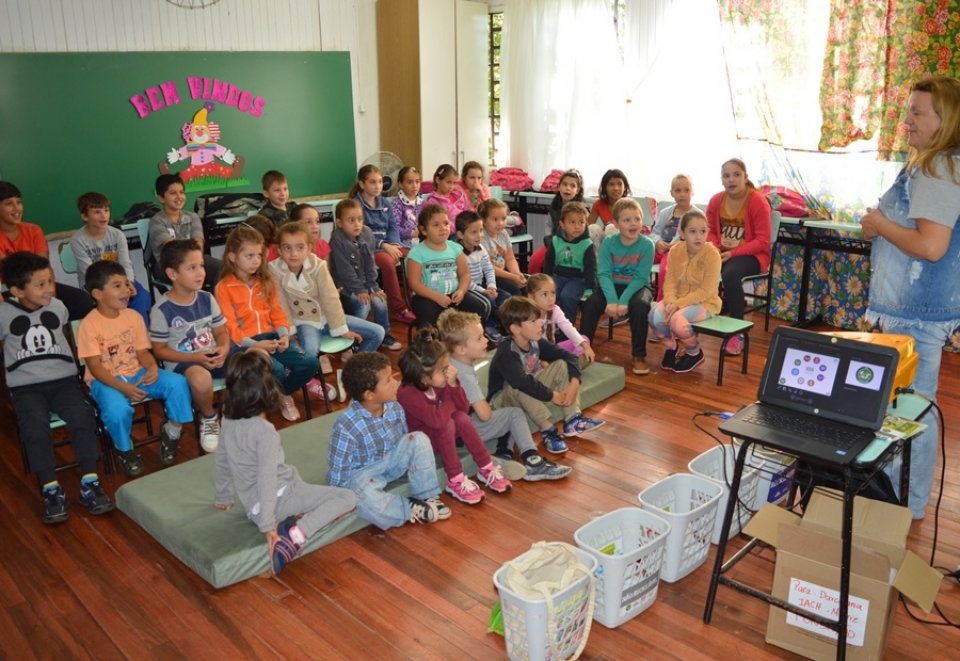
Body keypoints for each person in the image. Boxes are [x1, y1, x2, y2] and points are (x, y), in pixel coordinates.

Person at [860, 76, 960, 520]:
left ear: (946, 120)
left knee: (909, 413)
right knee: (909, 409)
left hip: (915, 317)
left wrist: (880, 224)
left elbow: (931, 246)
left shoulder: (938, 169)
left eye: (918, 112)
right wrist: (877, 222)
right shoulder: (935, 165)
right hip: (912, 313)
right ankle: (903, 501)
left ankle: (903, 504)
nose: (907, 121)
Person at [214, 348, 357, 576]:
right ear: (266, 392)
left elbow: (222, 458)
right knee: (347, 498)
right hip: (277, 501)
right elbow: (267, 478)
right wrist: (267, 526)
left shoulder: (229, 419)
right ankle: (294, 537)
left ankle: (291, 518)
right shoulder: (264, 431)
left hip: (256, 505)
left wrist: (223, 495)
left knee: (293, 473)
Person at [0, 252, 113, 523]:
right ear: (16, 290)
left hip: (63, 382)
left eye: (50, 281)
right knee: (35, 427)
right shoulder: (3, 314)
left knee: (83, 418)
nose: (49, 289)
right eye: (40, 284)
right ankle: (51, 488)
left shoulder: (58, 307)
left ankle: (90, 481)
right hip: (26, 388)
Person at [77, 260, 193, 476]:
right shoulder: (88, 324)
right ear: (97, 294)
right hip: (106, 381)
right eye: (117, 286)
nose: (127, 291)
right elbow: (95, 366)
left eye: (126, 284)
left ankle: (173, 431)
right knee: (117, 410)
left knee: (178, 383)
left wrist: (152, 368)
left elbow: (142, 353)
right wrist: (123, 388)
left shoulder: (134, 316)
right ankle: (124, 449)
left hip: (136, 373)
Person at [437, 309, 572, 481]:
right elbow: (485, 415)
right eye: (479, 338)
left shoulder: (454, 361)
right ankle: (533, 461)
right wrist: (494, 408)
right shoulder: (463, 373)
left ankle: (504, 454)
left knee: (506, 408)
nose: (486, 340)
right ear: (461, 349)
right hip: (459, 434)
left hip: (454, 428)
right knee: (513, 413)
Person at [327, 351, 452, 528]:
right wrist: (342, 498)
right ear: (370, 395)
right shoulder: (346, 426)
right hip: (365, 474)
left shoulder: (394, 407)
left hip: (392, 461)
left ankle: (427, 494)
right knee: (358, 490)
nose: (396, 383)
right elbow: (338, 474)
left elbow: (404, 439)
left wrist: (408, 456)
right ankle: (408, 509)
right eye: (388, 381)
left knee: (418, 439)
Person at [214, 224, 318, 422]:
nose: (256, 261)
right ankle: (283, 396)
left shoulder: (266, 281)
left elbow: (277, 313)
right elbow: (230, 327)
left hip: (273, 337)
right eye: (249, 256)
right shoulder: (224, 287)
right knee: (276, 369)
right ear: (233, 257)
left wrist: (284, 335)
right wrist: (254, 345)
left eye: (259, 255)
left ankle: (281, 392)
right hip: (244, 344)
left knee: (310, 363)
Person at [397, 329, 512, 504]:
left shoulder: (441, 381)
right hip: (424, 444)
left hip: (441, 431)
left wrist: (453, 385)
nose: (450, 371)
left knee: (461, 418)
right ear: (424, 379)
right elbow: (437, 421)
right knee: (447, 424)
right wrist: (449, 398)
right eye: (444, 369)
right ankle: (455, 479)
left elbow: (464, 408)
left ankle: (486, 466)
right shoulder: (407, 393)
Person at [271, 220, 384, 385]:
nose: (294, 253)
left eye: (300, 247)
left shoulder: (318, 265)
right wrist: (290, 332)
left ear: (310, 247)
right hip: (304, 322)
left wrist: (340, 329)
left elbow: (330, 298)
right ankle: (298, 383)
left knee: (378, 332)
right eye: (287, 248)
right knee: (309, 353)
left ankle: (352, 373)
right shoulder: (274, 270)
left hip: (327, 317)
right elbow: (280, 304)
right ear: (279, 250)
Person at [489, 296, 604, 454]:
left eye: (539, 320)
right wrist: (552, 395)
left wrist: (574, 384)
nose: (540, 325)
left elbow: (569, 357)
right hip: (503, 401)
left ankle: (572, 419)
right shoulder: (507, 352)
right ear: (515, 328)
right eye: (533, 322)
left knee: (562, 364)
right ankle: (548, 431)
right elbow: (521, 382)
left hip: (525, 389)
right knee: (521, 385)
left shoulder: (535, 342)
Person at [149, 239, 231, 453]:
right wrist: (195, 358)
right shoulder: (161, 309)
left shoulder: (207, 298)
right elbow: (159, 350)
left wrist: (223, 348)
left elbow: (221, 331)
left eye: (201, 266)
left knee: (250, 363)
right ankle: (209, 417)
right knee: (200, 378)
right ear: (173, 274)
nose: (200, 273)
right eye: (192, 268)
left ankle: (240, 418)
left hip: (211, 354)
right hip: (182, 362)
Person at [580, 197, 656, 375]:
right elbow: (604, 273)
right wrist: (612, 299)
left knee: (639, 307)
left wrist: (622, 301)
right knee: (591, 304)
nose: (633, 224)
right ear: (615, 223)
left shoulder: (647, 245)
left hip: (638, 287)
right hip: (611, 286)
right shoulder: (609, 242)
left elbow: (640, 277)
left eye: (637, 219)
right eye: (627, 220)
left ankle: (639, 356)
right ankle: (583, 349)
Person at [0, 181, 93, 321]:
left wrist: (51, 296)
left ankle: (61, 336)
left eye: (19, 202)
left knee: (82, 301)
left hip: (39, 286)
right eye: (9, 204)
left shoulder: (33, 230)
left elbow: (44, 268)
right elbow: (8, 272)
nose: (16, 208)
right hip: (9, 290)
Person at [705, 158, 771, 355]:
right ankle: (690, 318)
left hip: (753, 256)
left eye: (736, 175)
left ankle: (737, 332)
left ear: (745, 177)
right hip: (722, 253)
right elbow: (709, 230)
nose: (731, 179)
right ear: (721, 180)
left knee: (730, 274)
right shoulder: (716, 200)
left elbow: (763, 241)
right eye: (726, 176)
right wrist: (715, 247)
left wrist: (732, 253)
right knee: (694, 262)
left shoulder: (757, 201)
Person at [648, 210, 722, 374]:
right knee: (654, 316)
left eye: (703, 231)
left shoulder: (712, 255)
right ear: (681, 233)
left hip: (705, 303)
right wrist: (670, 302)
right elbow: (670, 282)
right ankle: (671, 348)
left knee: (677, 320)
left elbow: (706, 290)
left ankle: (694, 353)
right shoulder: (675, 251)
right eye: (692, 231)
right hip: (677, 300)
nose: (698, 236)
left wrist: (678, 305)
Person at [328, 199, 402, 351]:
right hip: (347, 287)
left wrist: (373, 286)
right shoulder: (337, 239)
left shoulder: (367, 233)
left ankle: (385, 336)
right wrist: (360, 290)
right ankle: (355, 340)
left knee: (380, 300)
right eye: (351, 220)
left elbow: (370, 263)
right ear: (340, 223)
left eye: (360, 219)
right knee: (363, 304)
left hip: (366, 284)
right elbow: (345, 271)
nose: (357, 224)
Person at [69, 191, 151, 325]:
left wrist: (128, 283)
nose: (103, 216)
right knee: (111, 300)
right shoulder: (78, 240)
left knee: (142, 297)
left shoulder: (117, 234)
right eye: (97, 212)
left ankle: (140, 338)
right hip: (95, 285)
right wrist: (114, 288)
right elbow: (88, 271)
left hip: (121, 280)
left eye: (106, 210)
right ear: (84, 216)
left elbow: (125, 263)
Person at [405, 204, 490, 328]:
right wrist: (437, 297)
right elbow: (414, 283)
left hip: (454, 295)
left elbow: (465, 274)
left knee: (481, 306)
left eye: (446, 223)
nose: (443, 228)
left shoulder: (455, 248)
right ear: (423, 230)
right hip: (427, 297)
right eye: (436, 225)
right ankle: (433, 344)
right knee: (428, 314)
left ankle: (469, 340)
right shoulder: (417, 253)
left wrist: (461, 290)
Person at [351, 165, 415, 325]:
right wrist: (385, 245)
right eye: (372, 182)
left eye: (380, 182)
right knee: (387, 263)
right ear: (362, 184)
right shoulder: (355, 205)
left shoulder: (384, 202)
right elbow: (361, 234)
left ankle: (416, 299)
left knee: (415, 255)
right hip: (367, 248)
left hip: (388, 245)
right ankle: (399, 308)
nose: (378, 186)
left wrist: (394, 244)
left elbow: (392, 226)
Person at [148, 174, 221, 290]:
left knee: (222, 268)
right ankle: (192, 304)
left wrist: (194, 263)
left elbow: (198, 245)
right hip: (169, 265)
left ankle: (217, 305)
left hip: (194, 260)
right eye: (173, 193)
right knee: (188, 273)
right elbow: (171, 250)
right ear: (161, 198)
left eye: (181, 192)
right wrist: (191, 264)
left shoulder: (193, 217)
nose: (179, 197)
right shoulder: (156, 221)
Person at [543, 200, 595, 323]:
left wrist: (589, 288)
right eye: (572, 222)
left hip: (578, 279)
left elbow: (590, 268)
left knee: (567, 296)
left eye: (581, 222)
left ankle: (567, 326)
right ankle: (548, 324)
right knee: (547, 294)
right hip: (558, 276)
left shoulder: (587, 244)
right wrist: (546, 280)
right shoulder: (556, 241)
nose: (577, 226)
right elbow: (549, 262)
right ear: (562, 224)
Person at [525, 273, 594, 366]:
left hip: (552, 352)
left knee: (584, 339)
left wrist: (585, 346)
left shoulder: (555, 310)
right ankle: (568, 365)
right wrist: (542, 360)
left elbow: (568, 328)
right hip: (535, 355)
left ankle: (565, 366)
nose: (550, 299)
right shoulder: (526, 315)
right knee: (531, 363)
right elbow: (528, 345)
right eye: (544, 294)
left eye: (553, 293)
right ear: (531, 297)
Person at [455, 210, 503, 341]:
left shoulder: (481, 248)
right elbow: (462, 279)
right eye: (473, 232)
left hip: (481, 284)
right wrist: (484, 291)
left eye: (481, 230)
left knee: (506, 297)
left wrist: (492, 286)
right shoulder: (458, 252)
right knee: (489, 301)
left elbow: (488, 269)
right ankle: (487, 327)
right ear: (460, 234)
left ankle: (497, 324)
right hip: (468, 287)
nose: (479, 235)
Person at [529, 168, 585, 275]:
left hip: (573, 246)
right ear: (559, 186)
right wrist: (552, 241)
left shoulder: (581, 209)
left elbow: (582, 233)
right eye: (564, 184)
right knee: (535, 261)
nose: (568, 188)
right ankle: (535, 288)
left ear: (577, 190)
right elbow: (549, 226)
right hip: (554, 243)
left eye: (572, 186)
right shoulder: (554, 206)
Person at [651, 174, 696, 303]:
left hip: (677, 252)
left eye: (686, 190)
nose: (682, 194)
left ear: (692, 192)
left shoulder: (697, 215)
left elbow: (698, 239)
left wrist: (676, 246)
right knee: (636, 258)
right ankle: (636, 296)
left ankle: (663, 302)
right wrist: (657, 241)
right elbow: (655, 232)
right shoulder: (666, 212)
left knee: (666, 269)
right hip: (660, 248)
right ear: (671, 193)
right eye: (678, 190)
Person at [479, 198, 526, 296]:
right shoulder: (482, 237)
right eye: (495, 219)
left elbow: (510, 258)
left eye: (503, 219)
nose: (500, 223)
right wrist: (513, 277)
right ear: (483, 220)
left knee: (527, 287)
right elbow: (488, 268)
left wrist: (517, 273)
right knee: (514, 290)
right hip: (487, 277)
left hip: (503, 273)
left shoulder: (504, 233)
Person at [587, 169, 631, 252]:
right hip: (606, 241)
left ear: (625, 187)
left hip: (625, 242)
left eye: (619, 184)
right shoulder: (599, 204)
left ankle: (615, 261)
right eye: (611, 184)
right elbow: (588, 225)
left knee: (612, 227)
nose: (616, 188)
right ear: (605, 187)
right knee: (593, 228)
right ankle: (597, 262)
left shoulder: (629, 204)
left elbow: (633, 229)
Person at [424, 164, 467, 234]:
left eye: (454, 183)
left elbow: (467, 212)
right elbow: (438, 224)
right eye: (448, 182)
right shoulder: (432, 202)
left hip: (465, 230)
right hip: (449, 234)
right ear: (438, 180)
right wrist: (460, 229)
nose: (451, 187)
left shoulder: (458, 195)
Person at [389, 166, 424, 248]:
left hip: (423, 240)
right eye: (410, 182)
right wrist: (410, 233)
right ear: (401, 184)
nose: (415, 185)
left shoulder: (422, 202)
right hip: (404, 243)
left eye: (417, 182)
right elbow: (394, 227)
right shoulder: (397, 204)